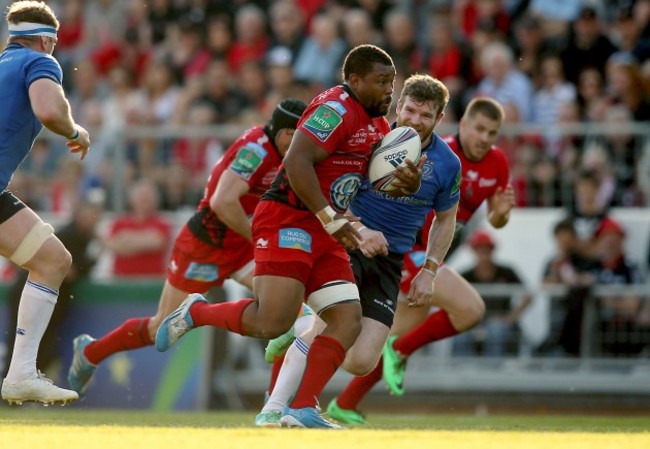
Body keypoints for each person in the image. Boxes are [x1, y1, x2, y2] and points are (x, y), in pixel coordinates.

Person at [155, 45, 421, 428]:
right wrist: (331, 218)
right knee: (273, 323)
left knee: (347, 320)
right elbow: (297, 161)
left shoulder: (379, 127)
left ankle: (302, 408)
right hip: (288, 218)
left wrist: (403, 185)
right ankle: (197, 312)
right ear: (355, 80)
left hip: (325, 228)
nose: (389, 92)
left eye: (391, 83)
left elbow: (368, 185)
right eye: (381, 82)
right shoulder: (335, 108)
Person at [256, 73, 461, 427]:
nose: (415, 120)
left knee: (361, 361)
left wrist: (429, 270)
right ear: (399, 106)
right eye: (410, 110)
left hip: (390, 259)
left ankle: (302, 325)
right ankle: (275, 410)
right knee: (327, 326)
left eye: (426, 116)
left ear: (440, 119)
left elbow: (446, 219)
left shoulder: (446, 164)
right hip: (349, 243)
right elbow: (338, 187)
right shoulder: (370, 139)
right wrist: (360, 229)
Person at [66, 98, 308, 396]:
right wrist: (260, 239)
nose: (303, 143)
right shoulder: (256, 151)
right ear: (285, 133)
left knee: (285, 310)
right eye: (299, 135)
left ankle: (276, 405)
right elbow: (222, 203)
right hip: (204, 245)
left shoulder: (283, 151)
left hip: (241, 247)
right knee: (159, 330)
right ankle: (90, 352)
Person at [327, 97, 514, 424]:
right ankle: (391, 351)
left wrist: (501, 215)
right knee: (471, 309)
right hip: (408, 250)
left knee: (390, 338)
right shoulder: (438, 153)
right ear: (463, 125)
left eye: (492, 133)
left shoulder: (498, 163)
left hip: (433, 255)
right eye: (479, 129)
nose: (484, 138)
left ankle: (344, 402)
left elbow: (497, 218)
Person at [0, 1, 90, 405]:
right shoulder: (39, 61)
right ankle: (20, 373)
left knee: (52, 259)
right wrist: (75, 130)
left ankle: (20, 373)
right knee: (52, 262)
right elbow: (49, 108)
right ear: (45, 40)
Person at [4, 198, 103, 381]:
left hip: (46, 298)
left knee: (41, 349)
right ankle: (9, 395)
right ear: (79, 214)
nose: (94, 219)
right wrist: (92, 261)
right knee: (25, 348)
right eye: (90, 214)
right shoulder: (70, 235)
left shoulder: (84, 238)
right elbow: (69, 272)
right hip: (32, 295)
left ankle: (19, 393)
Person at [452, 230, 532, 357]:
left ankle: (494, 370)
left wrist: (510, 318)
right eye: (480, 249)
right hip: (474, 322)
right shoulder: (465, 275)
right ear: (474, 251)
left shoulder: (507, 272)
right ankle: (462, 371)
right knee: (461, 335)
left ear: (492, 250)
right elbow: (452, 299)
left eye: (486, 249)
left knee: (496, 331)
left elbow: (528, 295)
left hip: (501, 322)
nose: (484, 254)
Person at [103, 179, 172, 278]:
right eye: (141, 196)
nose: (145, 200)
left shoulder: (162, 223)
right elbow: (114, 246)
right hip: (122, 280)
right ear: (132, 199)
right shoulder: (119, 223)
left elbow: (157, 243)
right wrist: (144, 240)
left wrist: (126, 238)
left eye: (148, 197)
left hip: (152, 281)